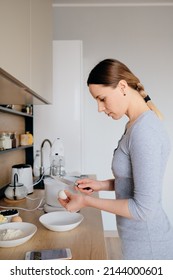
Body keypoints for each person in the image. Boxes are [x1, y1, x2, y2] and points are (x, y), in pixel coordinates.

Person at [58, 58, 173, 260]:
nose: (99, 108)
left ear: (122, 87)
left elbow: (143, 209)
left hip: (149, 247)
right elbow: (135, 181)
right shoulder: (134, 125)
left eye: (102, 99)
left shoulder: (144, 131)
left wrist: (86, 201)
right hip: (137, 241)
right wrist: (101, 185)